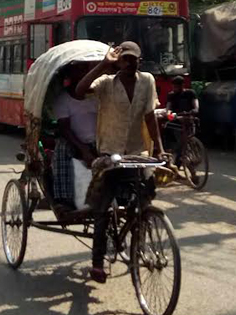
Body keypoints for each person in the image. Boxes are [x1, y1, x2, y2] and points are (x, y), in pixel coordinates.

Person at [75, 41, 165, 283]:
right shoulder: (106, 83)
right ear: (118, 61)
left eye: (132, 59)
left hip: (137, 152)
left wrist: (162, 149)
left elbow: (149, 117)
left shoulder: (147, 81)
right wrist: (104, 65)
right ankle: (97, 262)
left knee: (147, 195)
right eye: (123, 59)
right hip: (110, 152)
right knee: (102, 209)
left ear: (139, 61)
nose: (128, 63)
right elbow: (79, 91)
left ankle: (140, 234)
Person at [51, 61, 98, 210]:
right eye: (78, 70)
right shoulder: (63, 99)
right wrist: (83, 149)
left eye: (85, 69)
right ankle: (64, 199)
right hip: (73, 141)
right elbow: (65, 129)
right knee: (62, 150)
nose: (83, 73)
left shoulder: (97, 95)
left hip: (98, 140)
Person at [164, 75, 199, 162]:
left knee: (188, 138)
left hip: (189, 118)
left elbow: (196, 105)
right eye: (174, 86)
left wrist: (194, 110)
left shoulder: (190, 93)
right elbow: (168, 108)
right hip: (177, 121)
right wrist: (169, 114)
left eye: (177, 86)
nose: (175, 88)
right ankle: (179, 161)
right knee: (181, 142)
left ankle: (186, 154)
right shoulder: (171, 95)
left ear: (182, 85)